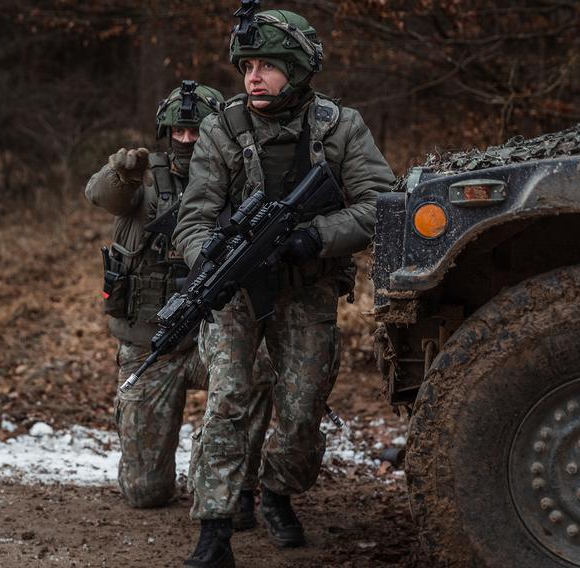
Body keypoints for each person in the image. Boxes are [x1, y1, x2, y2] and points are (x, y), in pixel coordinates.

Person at [173, 9, 396, 568]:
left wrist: (316, 235)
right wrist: (215, 260)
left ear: (297, 70)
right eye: (247, 65)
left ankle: (274, 491)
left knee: (302, 410)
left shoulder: (340, 127)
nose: (253, 77)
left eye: (267, 65)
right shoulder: (222, 129)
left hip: (306, 289)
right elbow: (193, 219)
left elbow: (382, 204)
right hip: (236, 291)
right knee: (226, 402)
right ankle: (215, 528)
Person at [85, 81, 273, 530]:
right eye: (178, 132)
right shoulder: (143, 182)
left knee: (262, 370)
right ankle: (166, 465)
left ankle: (237, 482)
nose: (186, 140)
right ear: (164, 132)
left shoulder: (234, 180)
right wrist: (122, 171)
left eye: (196, 131)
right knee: (145, 493)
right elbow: (101, 195)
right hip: (151, 349)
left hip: (215, 338)